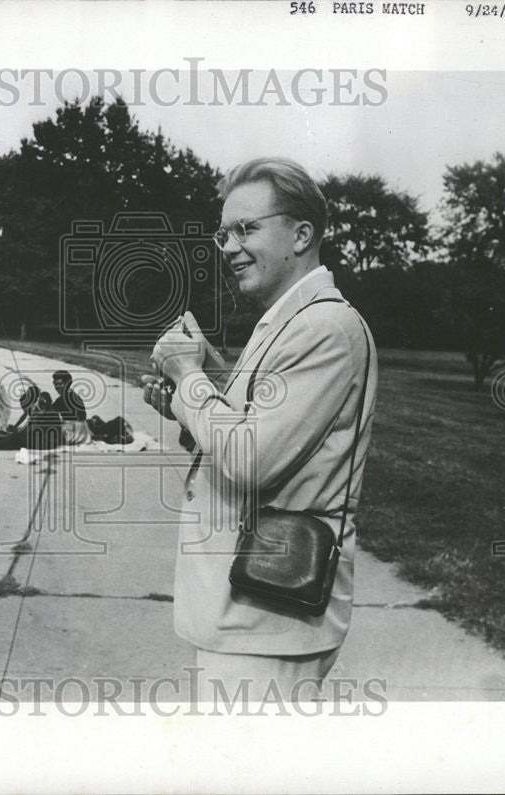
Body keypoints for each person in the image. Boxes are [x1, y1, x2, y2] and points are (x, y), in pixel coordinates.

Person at [143, 157, 377, 703]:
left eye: (246, 229)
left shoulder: (324, 328)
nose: (228, 247)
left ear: (301, 234)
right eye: (224, 232)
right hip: (250, 615)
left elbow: (250, 457)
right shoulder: (290, 318)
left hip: (268, 621)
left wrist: (189, 376)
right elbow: (265, 424)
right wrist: (196, 394)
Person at [51, 370, 91, 445]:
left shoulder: (66, 398)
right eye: (55, 384)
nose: (57, 386)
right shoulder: (69, 395)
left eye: (60, 384)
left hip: (74, 431)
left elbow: (49, 410)